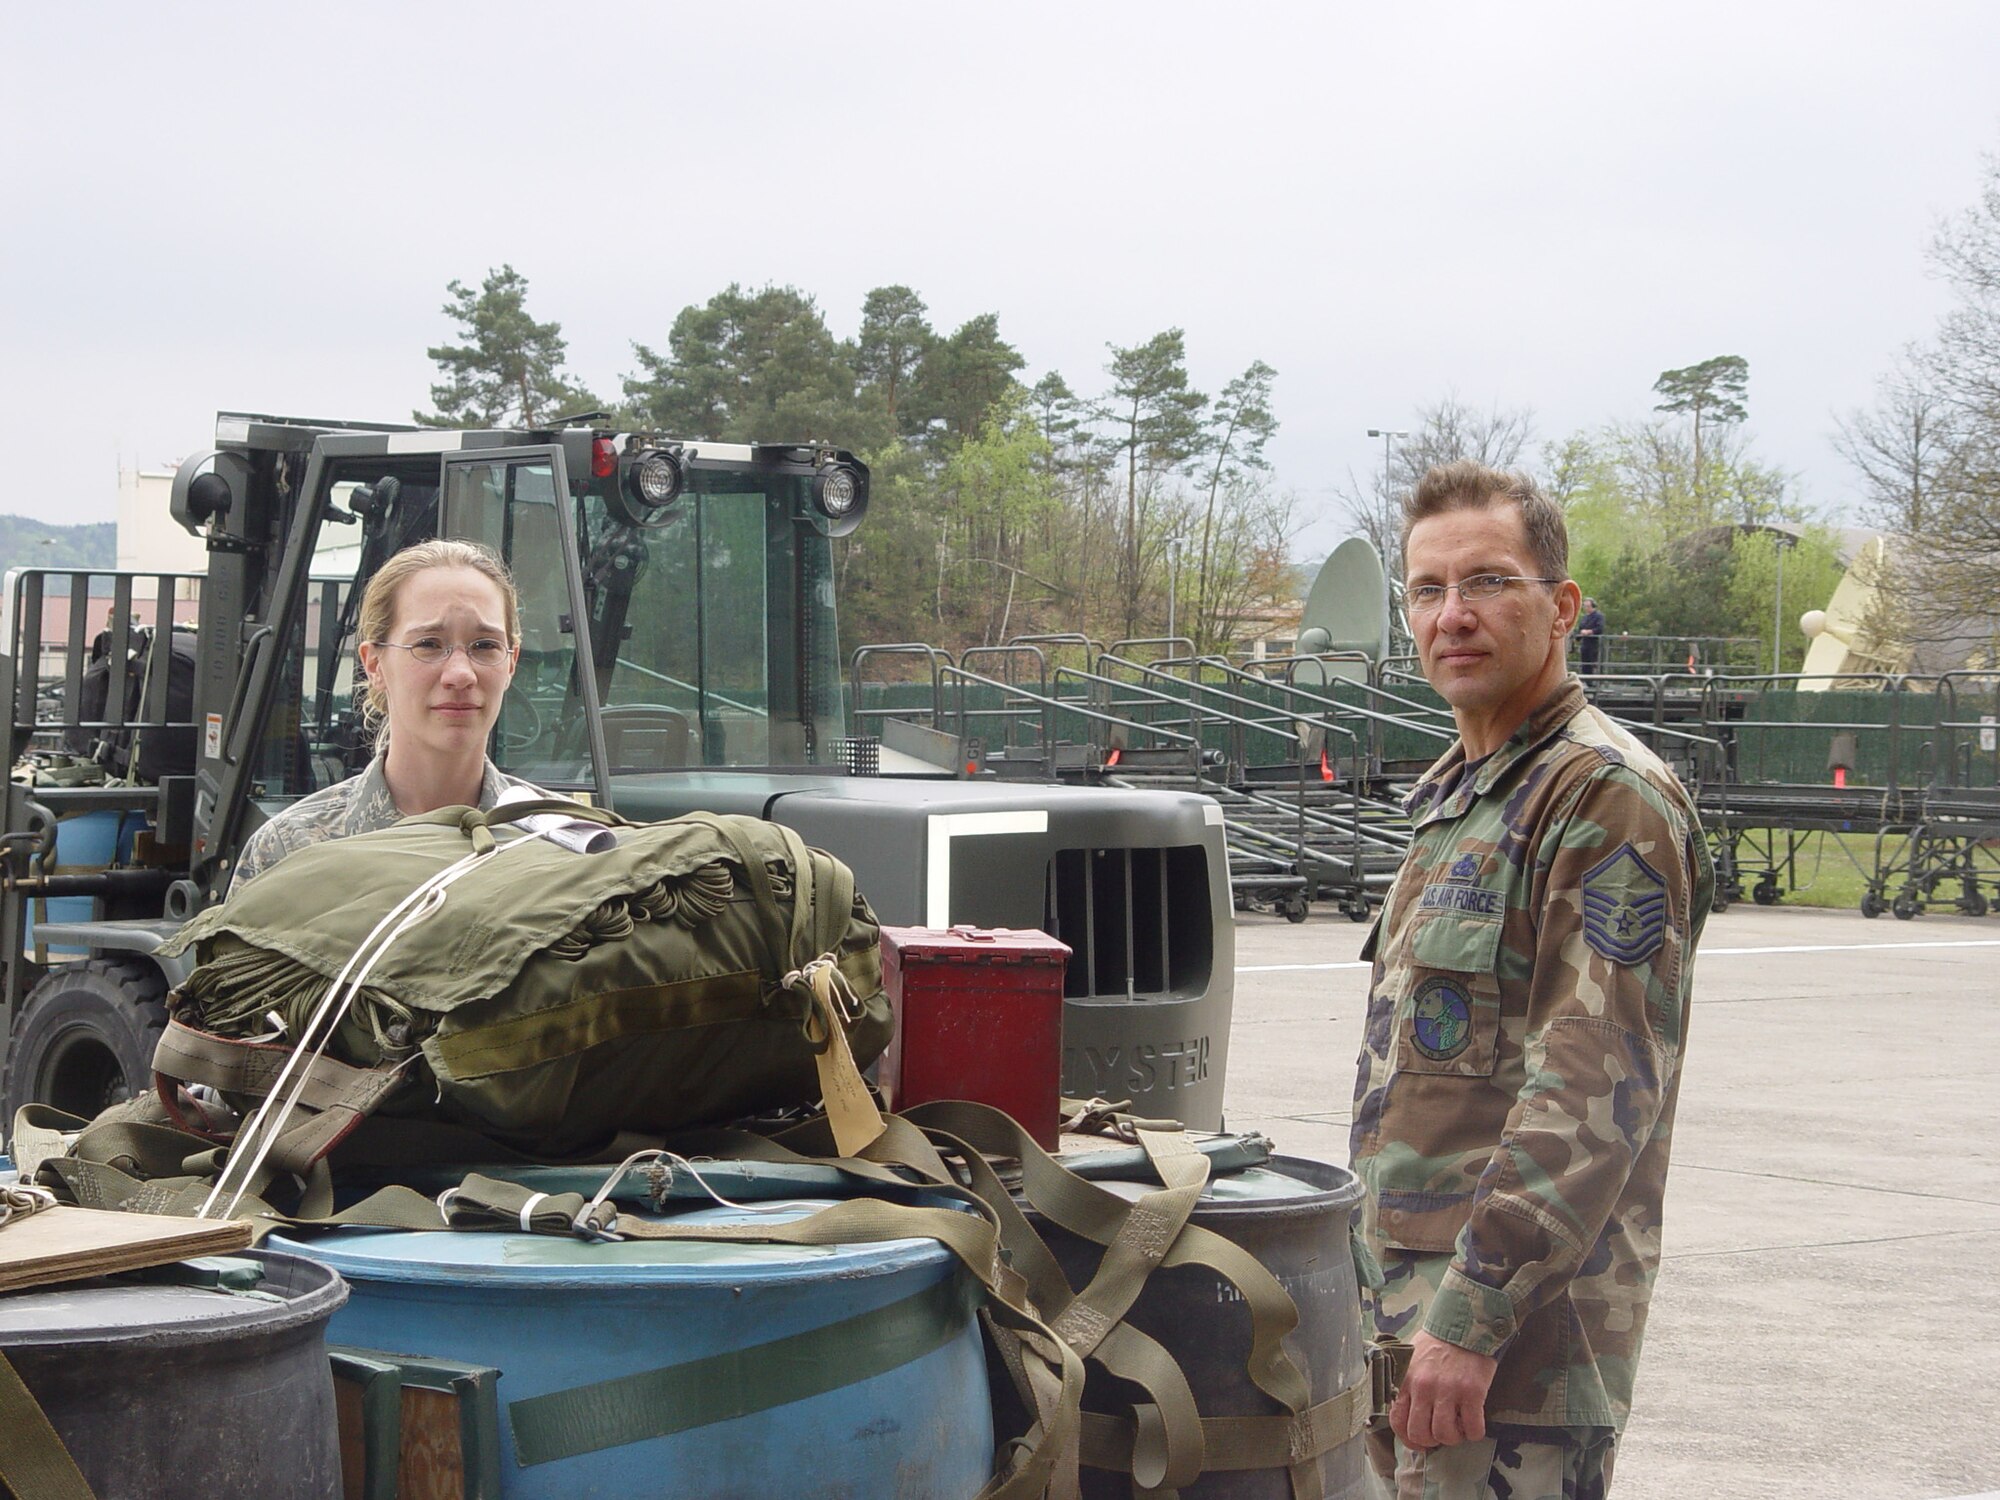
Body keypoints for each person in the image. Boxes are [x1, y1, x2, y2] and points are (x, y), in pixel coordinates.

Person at [1352, 460, 1711, 1499]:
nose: (1451, 615)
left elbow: (1597, 1090)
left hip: (1513, 1357)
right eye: (1426, 590)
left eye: (1487, 582)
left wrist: (1468, 1320)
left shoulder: (1603, 799)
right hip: (1404, 1331)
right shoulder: (1458, 799)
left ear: (1560, 609)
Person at [232, 539, 537, 888]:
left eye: (485, 646)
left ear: (511, 662)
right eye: (428, 644)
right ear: (374, 664)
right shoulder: (290, 850)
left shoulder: (565, 844)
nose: (460, 674)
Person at [1577, 596, 1606, 676]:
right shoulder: (1584, 617)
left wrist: (1589, 632)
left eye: (1587, 606)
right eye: (1584, 606)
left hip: (1594, 643)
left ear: (1593, 606)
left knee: (1593, 662)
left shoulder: (1599, 616)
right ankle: (1586, 679)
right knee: (1584, 662)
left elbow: (1600, 628)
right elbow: (1580, 628)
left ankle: (1593, 681)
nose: (1585, 608)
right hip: (1585, 643)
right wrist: (1580, 633)